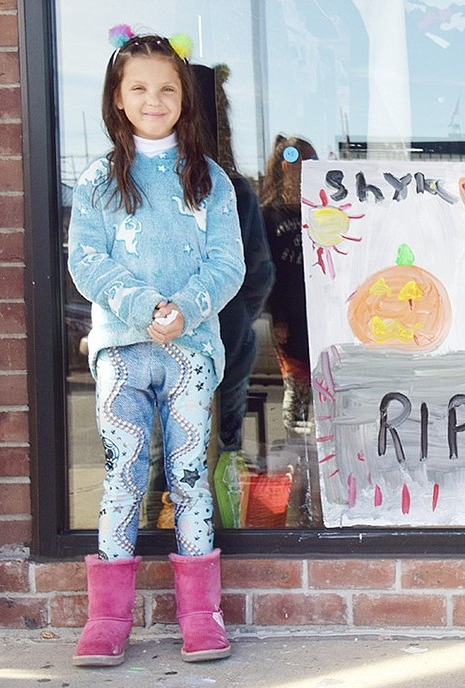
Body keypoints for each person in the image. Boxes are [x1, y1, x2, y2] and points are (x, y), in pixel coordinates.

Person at [66, 27, 244, 666]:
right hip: (121, 352)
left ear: (184, 99)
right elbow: (87, 261)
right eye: (138, 87)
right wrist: (144, 308)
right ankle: (108, 619)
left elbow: (228, 264)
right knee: (123, 477)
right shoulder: (96, 182)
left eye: (167, 88)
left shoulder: (209, 181)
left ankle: (201, 612)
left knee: (189, 476)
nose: (153, 99)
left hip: (189, 352)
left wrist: (186, 309)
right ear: (118, 96)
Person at [192, 63, 274, 529]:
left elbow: (258, 272)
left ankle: (193, 556)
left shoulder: (230, 188)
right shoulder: (233, 186)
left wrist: (228, 319)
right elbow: (259, 272)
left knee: (172, 464)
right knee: (220, 455)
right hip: (219, 342)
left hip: (211, 344)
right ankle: (219, 548)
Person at [259, 135, 319, 524]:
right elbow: (263, 271)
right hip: (289, 326)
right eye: (290, 159)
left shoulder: (322, 209)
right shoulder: (269, 214)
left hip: (324, 323)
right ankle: (298, 489)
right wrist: (273, 314)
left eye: (306, 161)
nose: (296, 168)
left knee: (323, 410)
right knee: (296, 408)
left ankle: (316, 493)